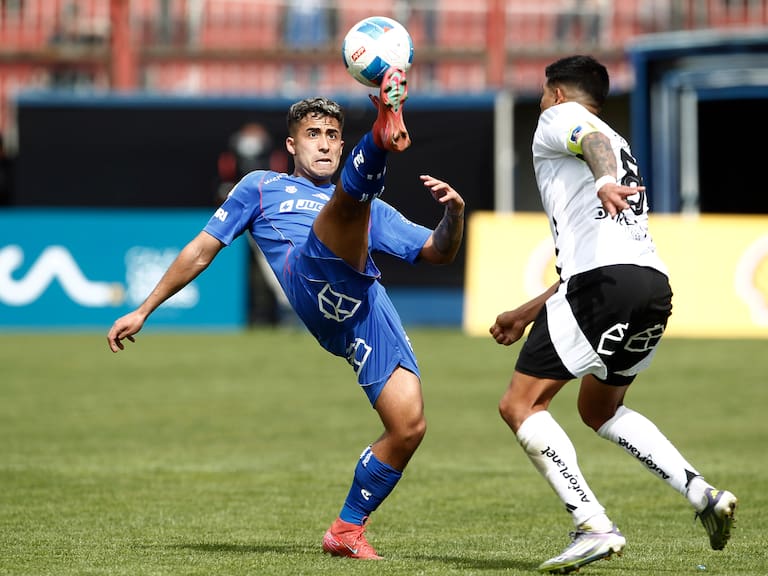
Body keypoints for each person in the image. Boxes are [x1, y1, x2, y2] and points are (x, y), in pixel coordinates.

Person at [107, 66, 465, 560]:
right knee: (345, 206)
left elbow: (438, 253)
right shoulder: (260, 187)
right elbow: (202, 250)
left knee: (409, 426)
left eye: (333, 136)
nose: (323, 144)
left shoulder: (371, 212)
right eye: (313, 135)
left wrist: (454, 217)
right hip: (310, 273)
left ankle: (345, 530)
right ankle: (383, 130)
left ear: (342, 148)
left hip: (363, 309)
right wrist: (144, 308)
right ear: (292, 146)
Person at [489, 55, 737, 574]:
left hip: (602, 284)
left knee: (520, 405)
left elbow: (591, 145)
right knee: (599, 410)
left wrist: (602, 180)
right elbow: (598, 250)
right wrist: (527, 311)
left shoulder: (562, 122)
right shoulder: (621, 142)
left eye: (541, 93)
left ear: (556, 93)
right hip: (649, 284)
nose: (540, 103)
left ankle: (592, 524)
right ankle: (702, 493)